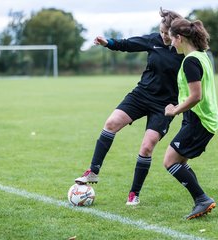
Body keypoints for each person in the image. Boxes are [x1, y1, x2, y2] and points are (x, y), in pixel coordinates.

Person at [74, 8, 184, 205]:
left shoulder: (185, 50)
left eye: (166, 33)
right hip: (141, 95)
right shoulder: (154, 40)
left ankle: (134, 194)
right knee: (111, 123)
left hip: (165, 105)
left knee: (147, 146)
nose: (162, 36)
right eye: (160, 32)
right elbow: (129, 44)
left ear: (176, 33)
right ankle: (93, 171)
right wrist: (109, 43)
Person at [164, 18, 218, 220]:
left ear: (180, 38)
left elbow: (196, 96)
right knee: (179, 161)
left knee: (169, 161)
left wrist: (174, 111)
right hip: (199, 118)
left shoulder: (191, 61)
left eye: (172, 39)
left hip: (200, 120)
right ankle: (200, 200)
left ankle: (202, 199)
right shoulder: (201, 55)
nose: (171, 44)